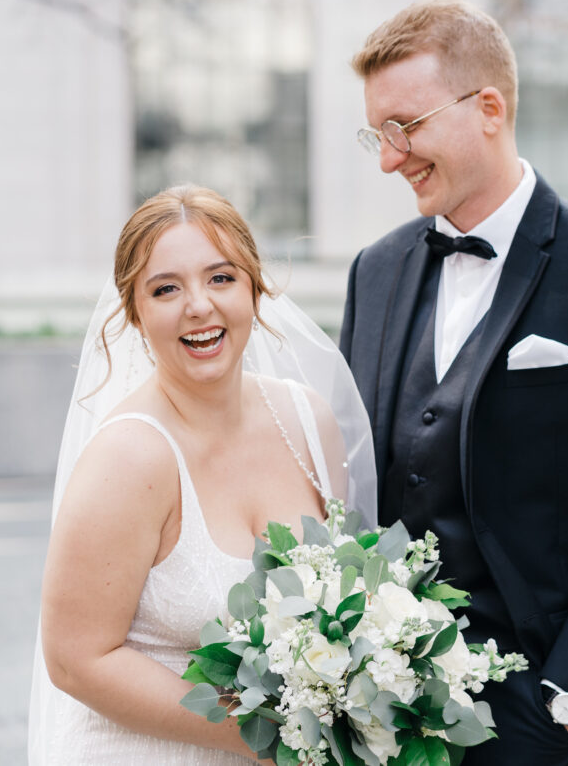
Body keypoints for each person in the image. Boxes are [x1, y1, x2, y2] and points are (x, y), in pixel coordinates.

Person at [340, 0, 568, 765]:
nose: (388, 157)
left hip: (546, 722)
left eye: (406, 128)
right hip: (391, 724)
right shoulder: (374, 272)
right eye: (378, 133)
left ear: (489, 108)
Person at [28, 184, 375, 764]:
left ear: (255, 289)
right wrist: (276, 735)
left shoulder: (309, 421)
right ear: (135, 313)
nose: (199, 306)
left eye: (221, 278)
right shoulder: (130, 456)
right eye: (166, 289)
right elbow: (74, 661)